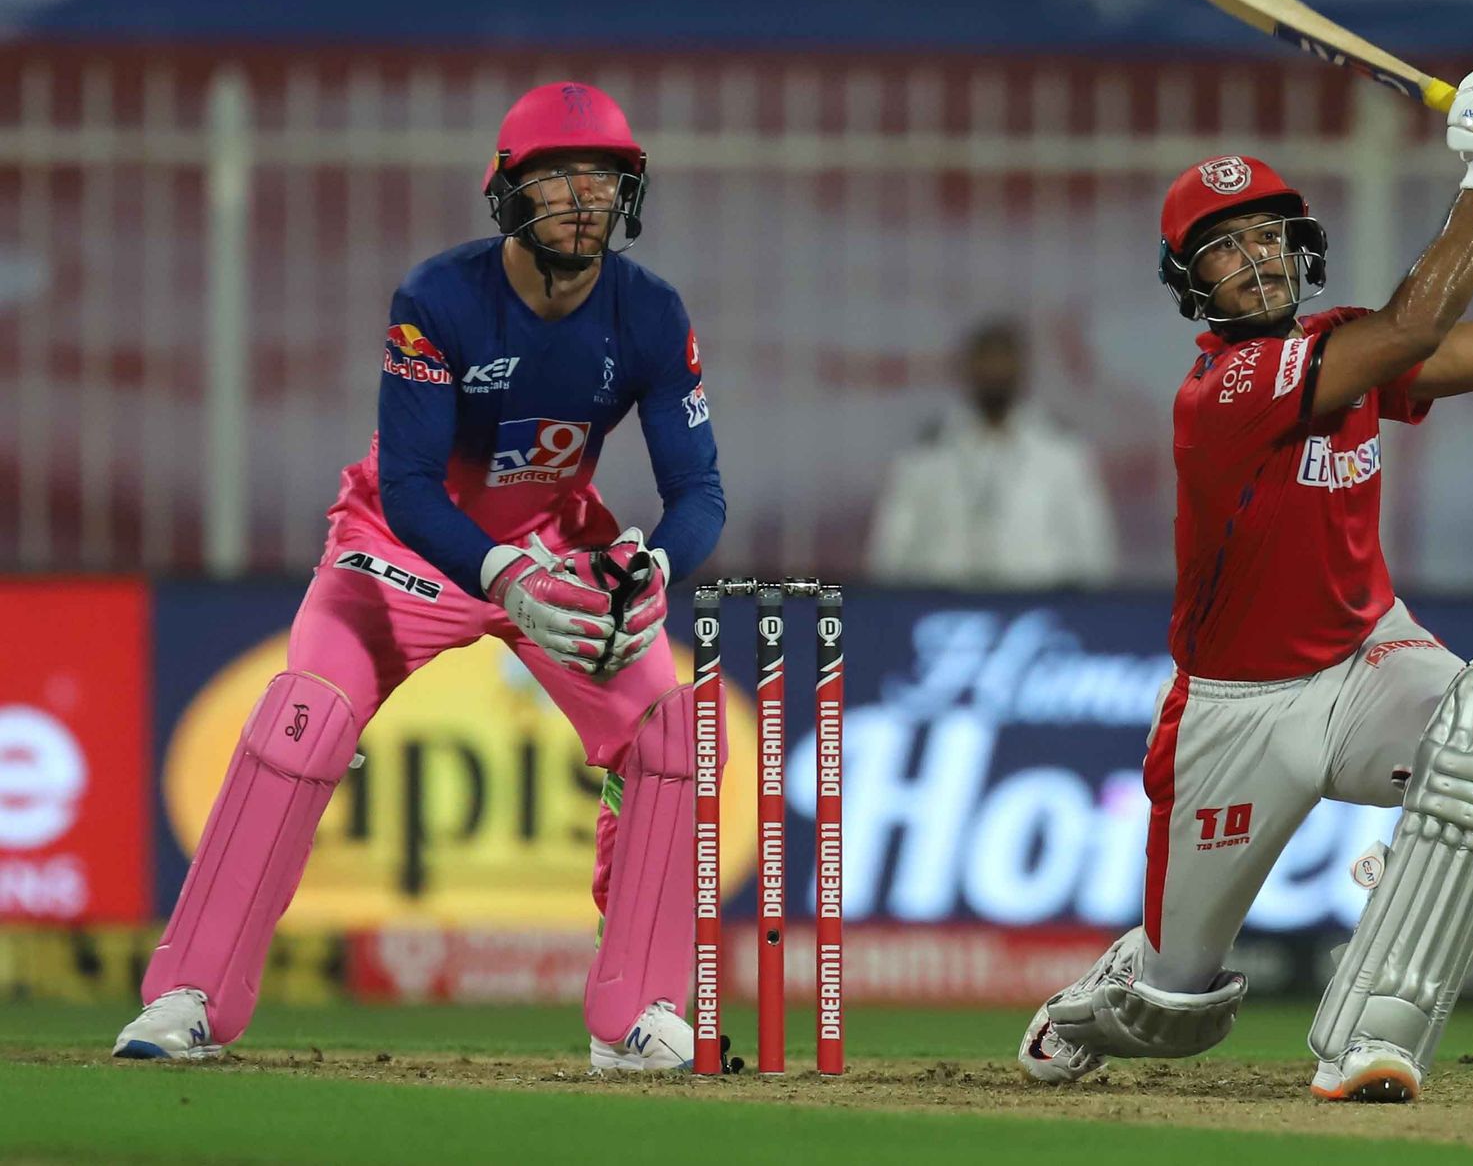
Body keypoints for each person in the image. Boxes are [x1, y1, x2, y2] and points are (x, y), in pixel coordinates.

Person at [1015, 70, 1473, 1102]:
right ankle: (1103, 994)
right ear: (1190, 285)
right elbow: (1420, 326)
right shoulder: (1227, 389)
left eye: (1264, 237)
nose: (1252, 262)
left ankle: (1369, 1032)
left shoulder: (1339, 345)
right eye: (1222, 249)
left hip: (1363, 659)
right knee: (1170, 1011)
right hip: (1238, 708)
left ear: (1300, 246)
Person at [114, 83, 726, 1071]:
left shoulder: (650, 314)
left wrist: (654, 564)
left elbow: (698, 489)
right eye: (558, 177)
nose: (584, 198)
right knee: (300, 717)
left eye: (603, 179)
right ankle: (189, 997)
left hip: (559, 546)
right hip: (406, 547)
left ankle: (637, 1015)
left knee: (670, 734)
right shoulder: (438, 299)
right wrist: (501, 579)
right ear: (506, 195)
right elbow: (406, 487)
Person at [867, 318, 1117, 588]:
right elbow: (889, 553)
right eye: (985, 360)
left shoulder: (1062, 452)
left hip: (1039, 609)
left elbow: (1094, 551)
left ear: (1022, 369)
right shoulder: (927, 454)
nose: (995, 371)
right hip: (941, 609)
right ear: (967, 369)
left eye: (1003, 360)